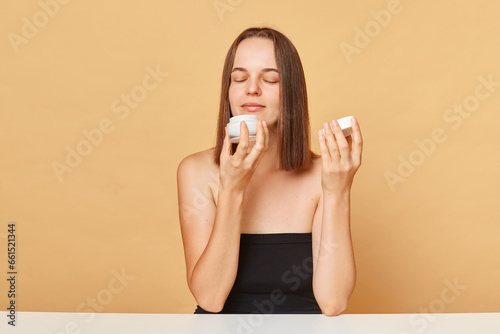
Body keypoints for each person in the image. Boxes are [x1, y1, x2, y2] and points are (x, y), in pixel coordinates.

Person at [177, 27, 363, 316]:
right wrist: (232, 190)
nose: (252, 89)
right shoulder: (196, 171)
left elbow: (333, 302)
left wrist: (337, 191)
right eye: (239, 78)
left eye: (270, 79)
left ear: (291, 93)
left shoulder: (320, 174)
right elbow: (210, 298)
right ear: (228, 92)